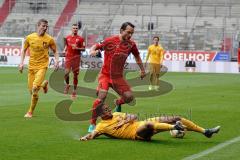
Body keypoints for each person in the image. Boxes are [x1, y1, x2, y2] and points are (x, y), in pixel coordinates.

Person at [88, 22, 146, 132]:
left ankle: (118, 103)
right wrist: (92, 51)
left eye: (132, 33)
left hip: (118, 77)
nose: (130, 35)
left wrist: (142, 70)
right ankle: (92, 124)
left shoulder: (131, 44)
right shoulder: (110, 40)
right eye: (128, 32)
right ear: (121, 31)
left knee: (129, 97)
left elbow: (137, 56)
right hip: (105, 75)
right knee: (101, 97)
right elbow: (96, 46)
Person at [80, 104, 220, 141]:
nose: (109, 110)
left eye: (108, 108)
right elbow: (92, 134)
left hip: (140, 122)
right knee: (148, 126)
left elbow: (134, 116)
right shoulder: (101, 126)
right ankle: (174, 127)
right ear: (101, 115)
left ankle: (205, 132)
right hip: (137, 134)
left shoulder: (116, 114)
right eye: (106, 110)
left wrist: (123, 122)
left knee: (176, 117)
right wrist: (85, 137)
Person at [19, 19, 59, 118]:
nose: (45, 28)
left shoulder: (49, 39)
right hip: (31, 67)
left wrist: (57, 61)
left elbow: (55, 51)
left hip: (42, 66)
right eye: (43, 26)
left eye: (46, 26)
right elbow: (24, 50)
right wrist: (21, 63)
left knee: (35, 88)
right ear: (38, 26)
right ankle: (43, 84)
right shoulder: (29, 37)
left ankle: (30, 112)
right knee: (31, 91)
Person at [63, 23, 85, 98]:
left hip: (76, 59)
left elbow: (84, 49)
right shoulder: (67, 37)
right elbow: (66, 45)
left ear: (78, 29)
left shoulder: (81, 39)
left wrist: (77, 48)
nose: (75, 29)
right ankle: (67, 85)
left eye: (76, 28)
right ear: (71, 29)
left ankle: (74, 91)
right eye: (74, 28)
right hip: (68, 58)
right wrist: (64, 50)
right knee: (66, 73)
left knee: (75, 75)